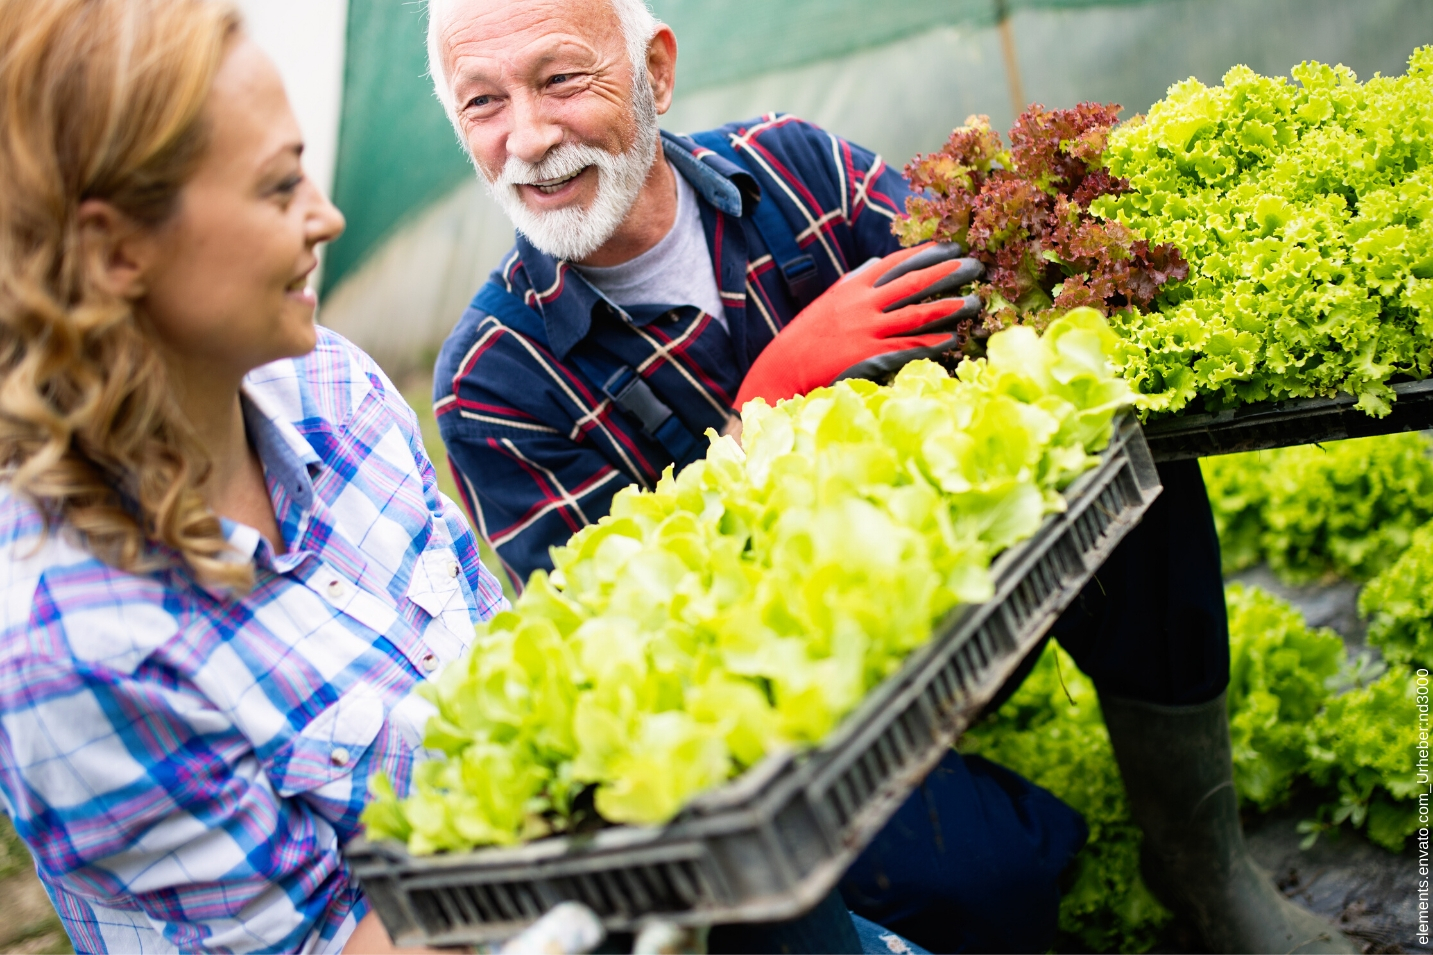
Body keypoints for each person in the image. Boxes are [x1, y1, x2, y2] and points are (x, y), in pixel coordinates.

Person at [428, 0, 1358, 952]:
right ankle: (998, 827)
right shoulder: (492, 382)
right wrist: (771, 394)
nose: (528, 139)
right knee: (996, 887)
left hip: (967, 594)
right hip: (801, 725)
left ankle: (1207, 869)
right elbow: (624, 642)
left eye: (559, 80)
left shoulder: (796, 170)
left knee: (1131, 473)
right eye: (483, 104)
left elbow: (995, 327)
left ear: (653, 74)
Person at [0, 1, 510, 951]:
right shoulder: (77, 642)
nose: (328, 216)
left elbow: (506, 659)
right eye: (280, 190)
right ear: (116, 252)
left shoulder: (330, 385)